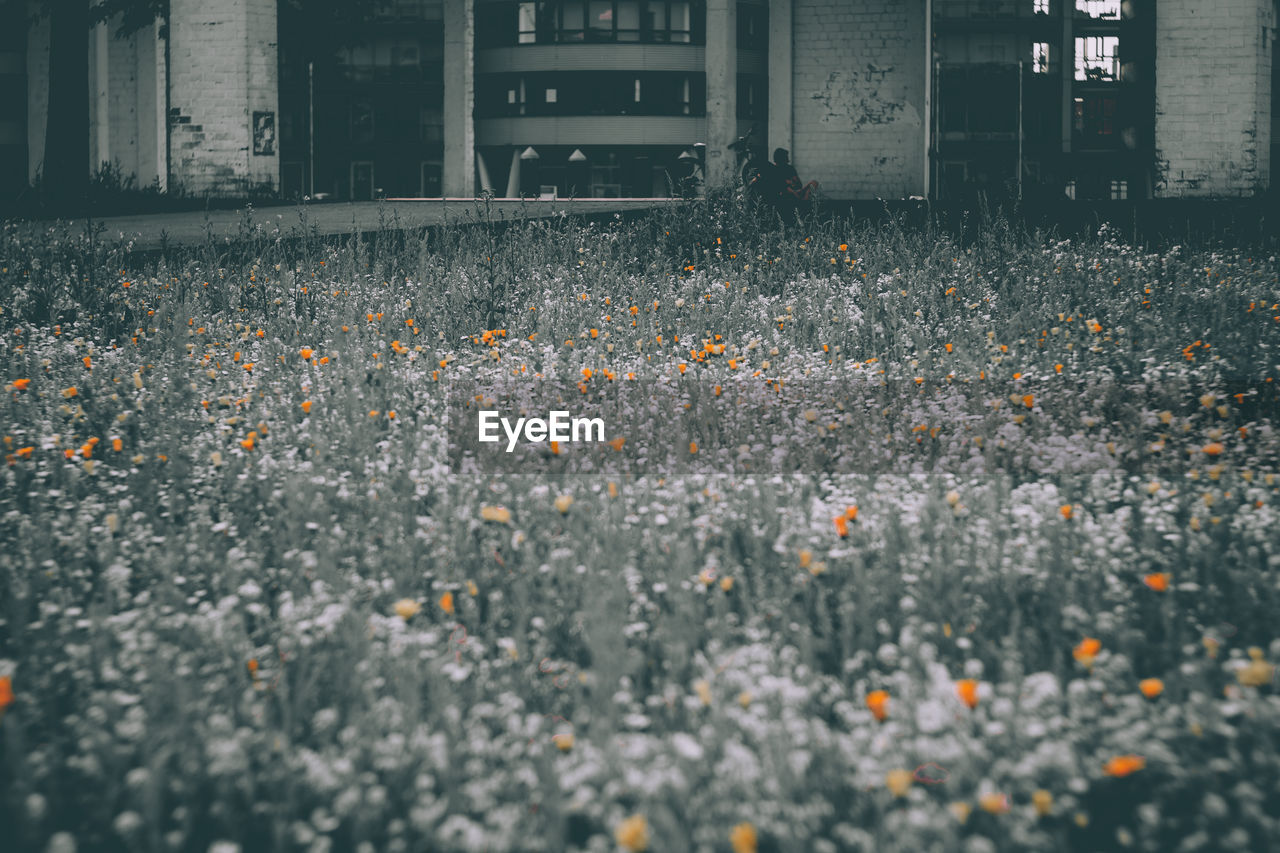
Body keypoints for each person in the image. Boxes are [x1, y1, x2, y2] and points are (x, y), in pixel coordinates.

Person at [770, 148, 818, 220]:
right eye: (786, 156)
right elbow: (780, 186)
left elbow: (798, 184)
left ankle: (804, 200)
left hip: (797, 191)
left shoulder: (790, 168)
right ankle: (803, 204)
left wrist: (791, 183)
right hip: (785, 193)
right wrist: (790, 184)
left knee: (814, 183)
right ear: (781, 157)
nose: (787, 158)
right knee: (788, 190)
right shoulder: (774, 169)